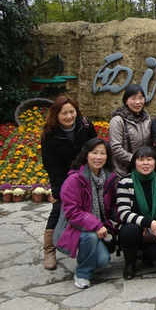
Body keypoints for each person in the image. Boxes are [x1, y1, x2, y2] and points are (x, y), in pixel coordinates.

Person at [41, 95, 97, 270]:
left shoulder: (85, 126)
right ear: (56, 115)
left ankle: (90, 242)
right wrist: (59, 190)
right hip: (63, 177)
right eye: (64, 113)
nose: (69, 116)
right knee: (59, 207)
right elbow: (50, 165)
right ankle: (49, 249)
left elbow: (95, 147)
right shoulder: (50, 134)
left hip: (85, 174)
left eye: (71, 112)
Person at [56, 138, 118, 289]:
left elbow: (112, 207)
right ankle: (82, 274)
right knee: (90, 236)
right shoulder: (74, 180)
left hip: (100, 227)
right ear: (86, 154)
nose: (98, 157)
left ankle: (87, 256)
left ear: (107, 156)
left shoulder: (108, 178)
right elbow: (72, 212)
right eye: (94, 153)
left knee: (103, 261)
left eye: (102, 153)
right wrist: (96, 225)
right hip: (75, 227)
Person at [116, 146, 156, 280]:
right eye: (141, 160)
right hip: (134, 227)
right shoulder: (125, 182)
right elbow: (123, 213)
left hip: (155, 228)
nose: (146, 163)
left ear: (155, 162)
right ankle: (130, 263)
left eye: (149, 159)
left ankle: (144, 255)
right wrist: (149, 223)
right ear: (134, 162)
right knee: (129, 230)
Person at [109, 84, 152, 177]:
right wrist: (136, 159)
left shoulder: (147, 118)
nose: (138, 102)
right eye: (133, 99)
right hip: (124, 171)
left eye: (141, 98)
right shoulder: (118, 120)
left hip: (144, 170)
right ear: (126, 101)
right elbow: (115, 148)